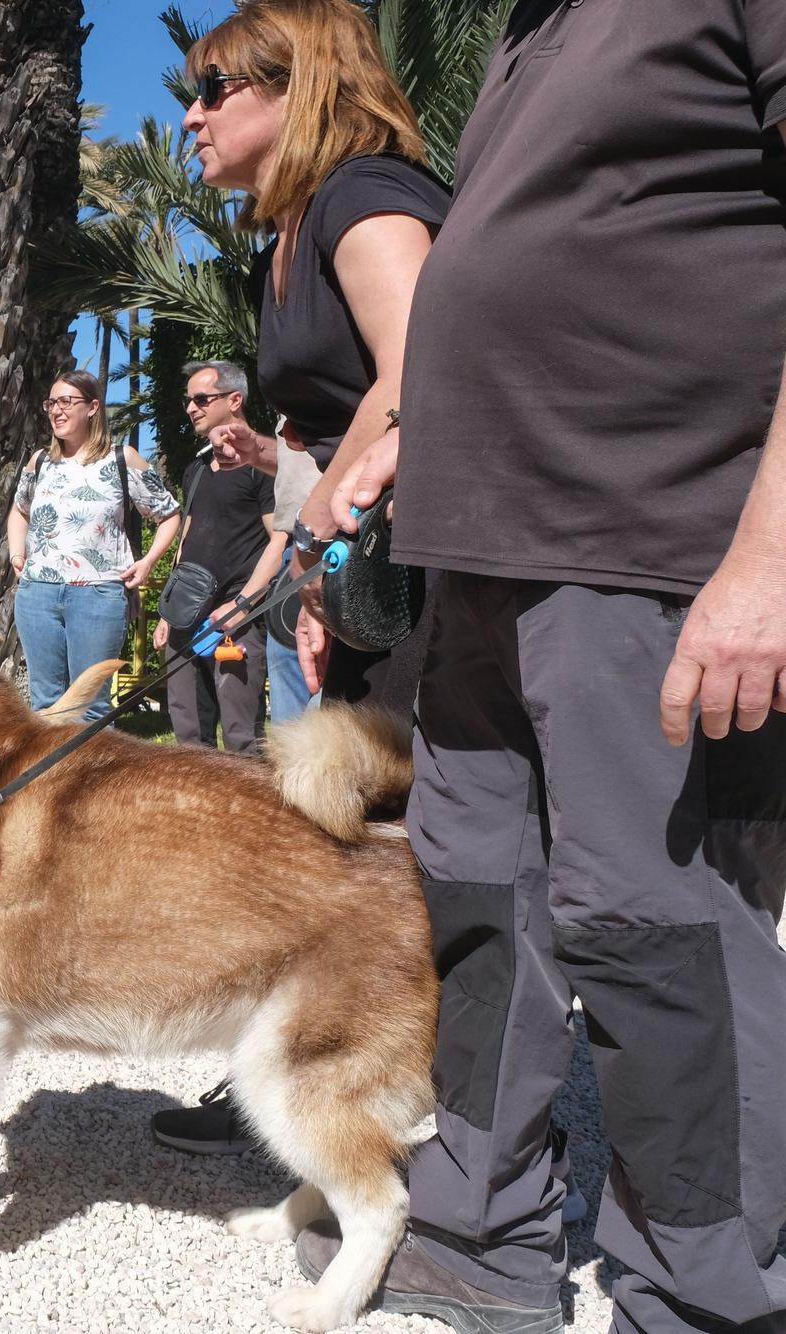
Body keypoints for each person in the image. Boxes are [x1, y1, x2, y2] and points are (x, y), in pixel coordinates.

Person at [293, 7, 786, 1332]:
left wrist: (773, 552)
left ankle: (711, 1291)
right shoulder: (535, 28)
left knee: (657, 926)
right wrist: (416, 433)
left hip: (652, 533)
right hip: (485, 548)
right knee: (474, 902)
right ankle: (474, 1222)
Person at [151, 0, 447, 1154]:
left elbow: (421, 361)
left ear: (301, 86)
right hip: (367, 560)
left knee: (414, 836)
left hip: (425, 564)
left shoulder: (362, 195)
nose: (189, 115)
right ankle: (314, 1066)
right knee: (343, 831)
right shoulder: (281, 231)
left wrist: (324, 524)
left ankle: (428, 1102)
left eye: (215, 89)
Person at [6, 368, 180, 717]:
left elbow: (169, 515)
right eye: (51, 403)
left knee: (91, 706)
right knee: (46, 704)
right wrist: (16, 552)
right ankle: (53, 775)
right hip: (38, 594)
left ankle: (93, 774)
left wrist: (147, 563)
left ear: (92, 407)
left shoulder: (121, 459)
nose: (56, 410)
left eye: (66, 401)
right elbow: (19, 511)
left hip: (99, 595)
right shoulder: (41, 462)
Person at [153, 361, 282, 753]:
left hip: (235, 617)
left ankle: (246, 815)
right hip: (185, 613)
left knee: (242, 736)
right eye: (188, 401)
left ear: (235, 400)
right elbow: (187, 537)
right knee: (189, 737)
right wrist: (165, 612)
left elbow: (280, 538)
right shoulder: (196, 467)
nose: (192, 408)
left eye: (201, 399)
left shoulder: (262, 466)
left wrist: (243, 605)